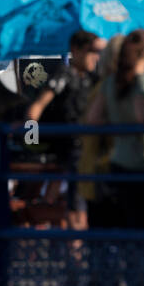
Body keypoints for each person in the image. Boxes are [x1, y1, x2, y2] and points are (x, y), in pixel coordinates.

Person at [84, 29, 144, 229]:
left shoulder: (111, 83)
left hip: (119, 159)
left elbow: (93, 119)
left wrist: (116, 123)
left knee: (127, 225)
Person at [26, 29, 104, 228]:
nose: (95, 57)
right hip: (70, 146)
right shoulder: (65, 75)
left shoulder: (94, 78)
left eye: (97, 52)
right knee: (78, 199)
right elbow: (35, 110)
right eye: (90, 51)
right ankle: (77, 245)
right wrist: (31, 143)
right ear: (75, 50)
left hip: (88, 145)